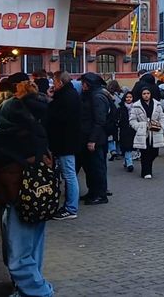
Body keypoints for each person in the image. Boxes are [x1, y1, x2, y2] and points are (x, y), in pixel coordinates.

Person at [0, 81, 55, 297]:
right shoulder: (38, 129)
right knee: (33, 248)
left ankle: (40, 291)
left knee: (18, 255)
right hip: (39, 197)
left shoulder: (6, 140)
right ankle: (28, 289)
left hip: (18, 198)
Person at [47, 71, 82, 220]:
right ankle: (70, 206)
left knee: (69, 175)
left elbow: (58, 118)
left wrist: (51, 102)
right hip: (65, 142)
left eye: (54, 82)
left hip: (65, 143)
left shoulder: (66, 97)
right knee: (69, 175)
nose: (53, 85)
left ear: (61, 82)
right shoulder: (68, 95)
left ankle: (71, 208)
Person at [79, 73, 110, 205]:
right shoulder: (91, 95)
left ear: (88, 84)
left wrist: (92, 140)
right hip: (90, 136)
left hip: (96, 139)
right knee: (90, 167)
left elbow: (99, 120)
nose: (82, 85)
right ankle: (92, 191)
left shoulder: (97, 97)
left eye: (83, 83)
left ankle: (101, 194)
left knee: (97, 167)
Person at [130, 87, 164, 179]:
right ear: (141, 95)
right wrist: (140, 126)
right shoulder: (136, 105)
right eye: (144, 93)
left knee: (154, 152)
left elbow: (162, 117)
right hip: (143, 132)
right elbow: (132, 120)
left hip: (155, 131)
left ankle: (148, 168)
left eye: (148, 93)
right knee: (145, 153)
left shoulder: (157, 104)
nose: (146, 95)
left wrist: (161, 126)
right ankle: (146, 172)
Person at [118, 92, 136, 172]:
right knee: (127, 146)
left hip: (132, 129)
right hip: (123, 129)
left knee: (130, 146)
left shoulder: (136, 107)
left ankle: (126, 161)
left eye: (130, 97)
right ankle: (129, 163)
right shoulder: (121, 108)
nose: (129, 99)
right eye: (127, 97)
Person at [106, 80, 123, 160]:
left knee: (110, 135)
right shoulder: (121, 94)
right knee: (118, 136)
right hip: (120, 117)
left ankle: (113, 150)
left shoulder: (108, 95)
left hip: (111, 117)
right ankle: (119, 152)